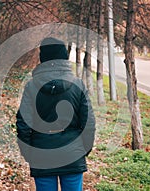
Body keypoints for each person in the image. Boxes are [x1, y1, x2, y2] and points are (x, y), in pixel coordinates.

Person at [16, 37, 95, 191]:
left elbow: (23, 125)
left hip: (42, 154)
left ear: (43, 58)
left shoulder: (31, 86)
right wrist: (82, 150)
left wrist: (29, 153)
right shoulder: (77, 84)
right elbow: (89, 123)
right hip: (73, 153)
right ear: (64, 56)